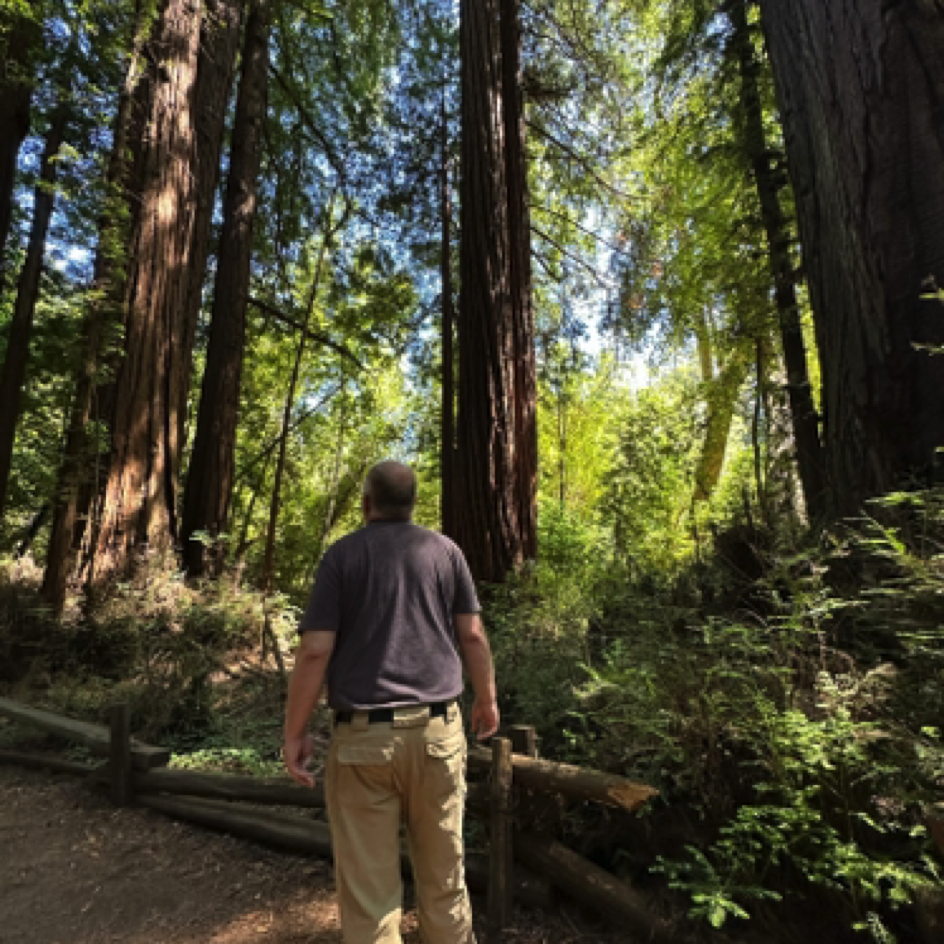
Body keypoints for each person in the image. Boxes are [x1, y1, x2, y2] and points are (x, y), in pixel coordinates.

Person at [283, 460, 499, 944]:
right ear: (413, 504)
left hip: (363, 741)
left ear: (366, 504)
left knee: (371, 898)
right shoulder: (446, 553)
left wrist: (294, 733)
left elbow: (315, 649)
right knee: (445, 880)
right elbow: (473, 635)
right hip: (438, 734)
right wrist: (487, 700)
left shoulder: (341, 558)